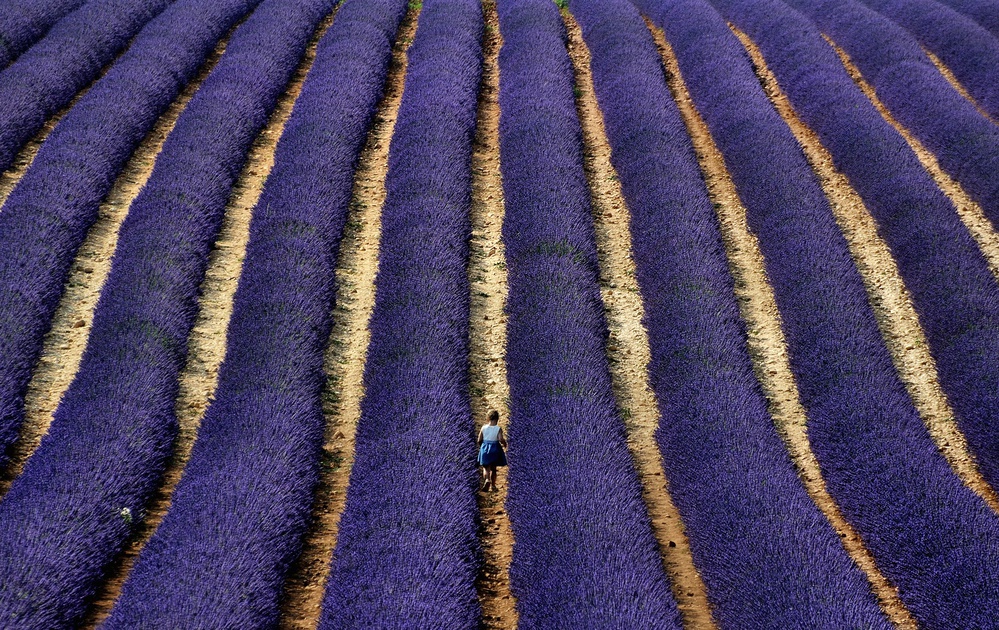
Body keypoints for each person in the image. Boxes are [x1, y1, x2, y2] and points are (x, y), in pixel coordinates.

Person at [477, 409, 507, 492]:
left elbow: (479, 440)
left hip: (485, 448)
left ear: (488, 419)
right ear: (497, 419)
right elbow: (501, 439)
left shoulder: (483, 428)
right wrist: (504, 444)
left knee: (486, 468)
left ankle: (487, 479)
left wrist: (482, 447)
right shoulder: (498, 429)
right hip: (495, 449)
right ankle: (493, 486)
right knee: (494, 469)